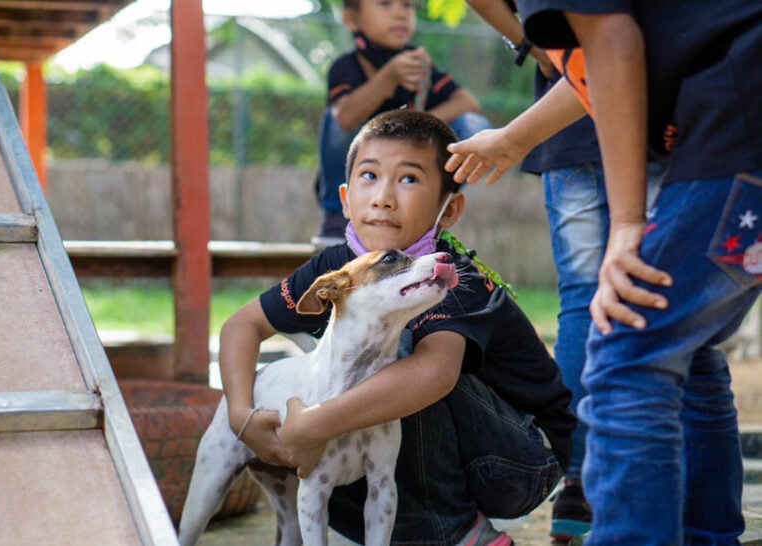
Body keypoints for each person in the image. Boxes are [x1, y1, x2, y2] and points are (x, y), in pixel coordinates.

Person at [454, 1, 762, 543]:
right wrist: (512, 139)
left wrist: (627, 224)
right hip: (733, 124)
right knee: (680, 341)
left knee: (628, 344)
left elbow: (612, 41)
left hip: (738, 125)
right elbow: (605, 55)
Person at [219, 110, 576, 546]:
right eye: (369, 176)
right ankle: (419, 528)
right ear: (346, 199)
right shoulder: (340, 267)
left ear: (450, 209)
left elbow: (434, 375)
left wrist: (312, 425)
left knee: (397, 352)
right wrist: (242, 415)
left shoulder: (450, 277)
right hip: (447, 460)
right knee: (345, 377)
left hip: (520, 459)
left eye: (408, 179)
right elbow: (242, 326)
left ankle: (460, 533)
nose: (383, 197)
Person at [313, 0, 492, 246]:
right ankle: (337, 215)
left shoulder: (419, 67)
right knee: (334, 119)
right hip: (362, 169)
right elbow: (345, 119)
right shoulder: (346, 67)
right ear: (351, 19)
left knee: (474, 125)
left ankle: (432, 209)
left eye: (407, 5)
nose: (400, 13)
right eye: (385, 4)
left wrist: (417, 126)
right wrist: (388, 77)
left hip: (408, 168)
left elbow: (467, 102)